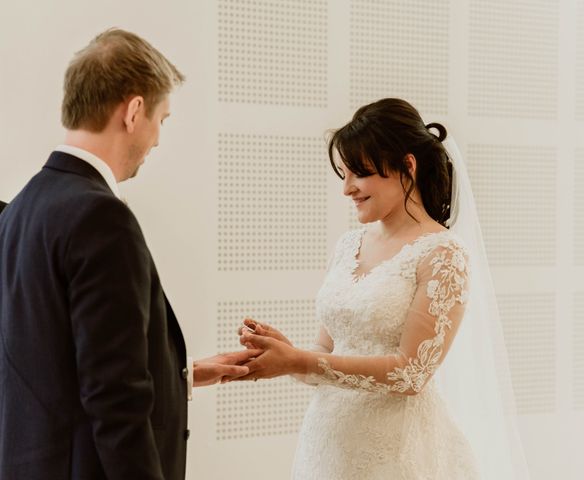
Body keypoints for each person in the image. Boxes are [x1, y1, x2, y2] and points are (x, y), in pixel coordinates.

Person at [0, 29, 258, 480]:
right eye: (163, 119)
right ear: (134, 111)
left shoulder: (21, 207)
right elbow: (114, 396)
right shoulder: (100, 215)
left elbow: (54, 357)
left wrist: (183, 373)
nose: (157, 139)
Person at [235, 98, 529, 479]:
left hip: (398, 451)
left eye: (359, 173)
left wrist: (300, 361)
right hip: (328, 443)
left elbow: (411, 373)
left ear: (407, 165)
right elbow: (325, 352)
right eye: (343, 174)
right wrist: (285, 354)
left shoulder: (442, 254)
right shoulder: (347, 245)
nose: (347, 189)